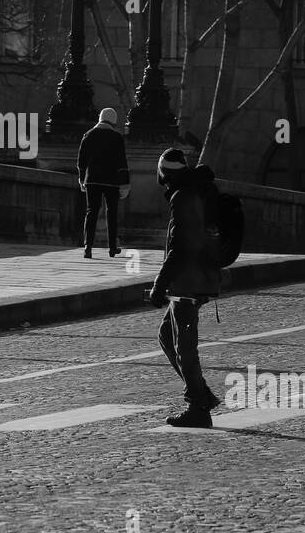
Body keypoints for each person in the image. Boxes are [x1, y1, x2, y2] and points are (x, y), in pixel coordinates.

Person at [148, 148, 223, 428]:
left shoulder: (184, 196)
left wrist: (160, 282)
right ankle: (201, 395)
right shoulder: (196, 190)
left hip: (189, 281)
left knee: (184, 347)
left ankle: (198, 407)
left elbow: (181, 247)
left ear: (163, 172)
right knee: (167, 336)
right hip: (200, 276)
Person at [76, 108, 130, 259]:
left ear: (100, 118)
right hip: (111, 181)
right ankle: (112, 247)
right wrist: (125, 183)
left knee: (91, 212)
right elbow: (122, 162)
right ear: (113, 120)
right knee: (111, 213)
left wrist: (81, 178)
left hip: (92, 179)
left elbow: (81, 161)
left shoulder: (88, 135)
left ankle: (88, 246)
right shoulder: (117, 137)